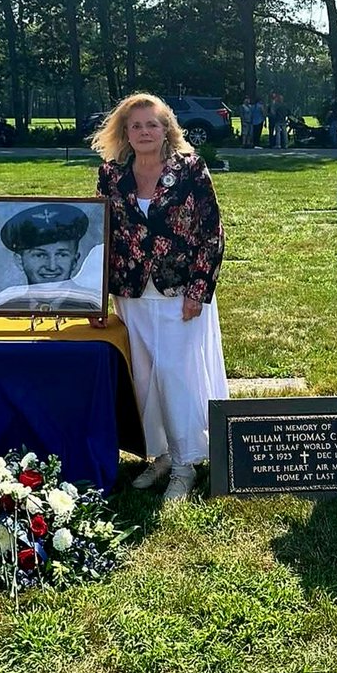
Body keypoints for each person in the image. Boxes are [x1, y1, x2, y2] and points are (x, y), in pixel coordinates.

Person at [92, 92, 228, 501]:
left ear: (167, 129)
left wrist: (198, 290)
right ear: (125, 133)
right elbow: (102, 233)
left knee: (177, 376)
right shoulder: (111, 175)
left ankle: (187, 464)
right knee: (146, 378)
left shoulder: (191, 170)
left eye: (153, 124)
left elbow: (212, 233)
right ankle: (163, 454)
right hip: (131, 292)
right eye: (136, 126)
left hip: (180, 293)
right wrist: (96, 297)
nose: (145, 131)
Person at [0, 203, 103, 312]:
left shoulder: (91, 306)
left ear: (75, 260)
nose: (52, 266)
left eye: (61, 255)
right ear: (19, 261)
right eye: (40, 255)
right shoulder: (5, 307)